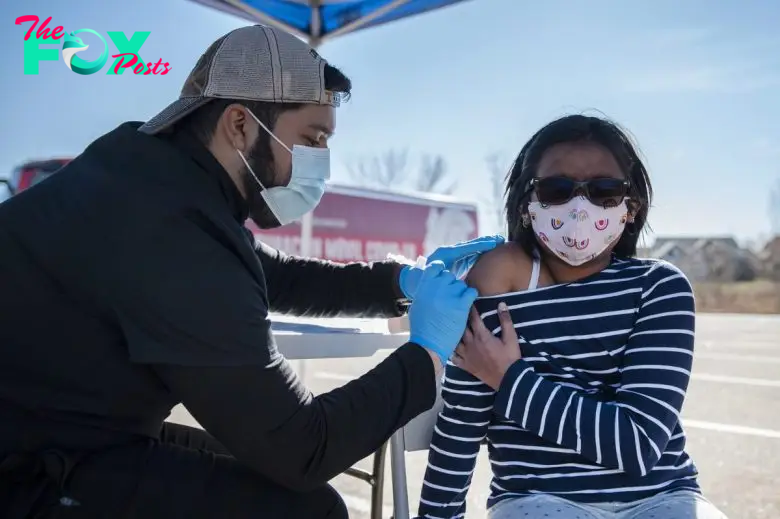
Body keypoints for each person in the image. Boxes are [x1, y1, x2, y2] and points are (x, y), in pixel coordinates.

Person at [0, 25, 503, 519]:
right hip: (31, 469)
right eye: (313, 138)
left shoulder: (154, 179)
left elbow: (275, 277)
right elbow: (302, 446)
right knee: (310, 508)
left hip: (68, 430)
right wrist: (427, 354)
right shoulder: (172, 231)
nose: (323, 161)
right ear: (239, 124)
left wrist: (400, 283)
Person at [416, 115, 728, 519]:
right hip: (537, 503)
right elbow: (459, 428)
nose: (581, 207)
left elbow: (636, 444)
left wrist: (509, 380)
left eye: (604, 190)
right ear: (527, 205)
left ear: (630, 207)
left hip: (663, 498)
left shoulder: (659, 287)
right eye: (557, 189)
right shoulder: (496, 288)